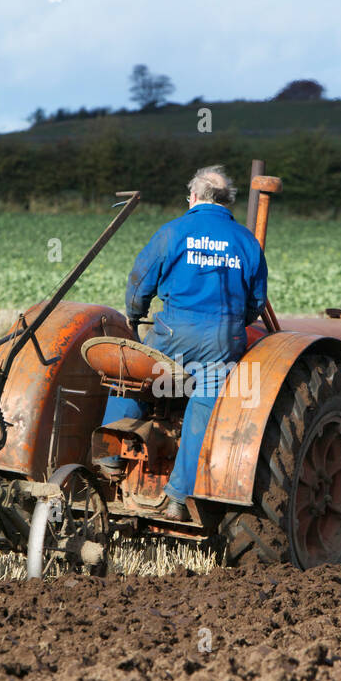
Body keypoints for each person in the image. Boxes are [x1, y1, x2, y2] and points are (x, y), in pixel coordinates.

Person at [97, 165, 268, 520]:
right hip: (223, 341)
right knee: (204, 409)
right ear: (228, 201)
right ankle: (177, 498)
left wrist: (135, 312)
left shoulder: (173, 232)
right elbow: (256, 303)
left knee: (131, 379)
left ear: (193, 197)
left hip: (173, 334)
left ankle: (110, 464)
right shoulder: (247, 241)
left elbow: (140, 282)